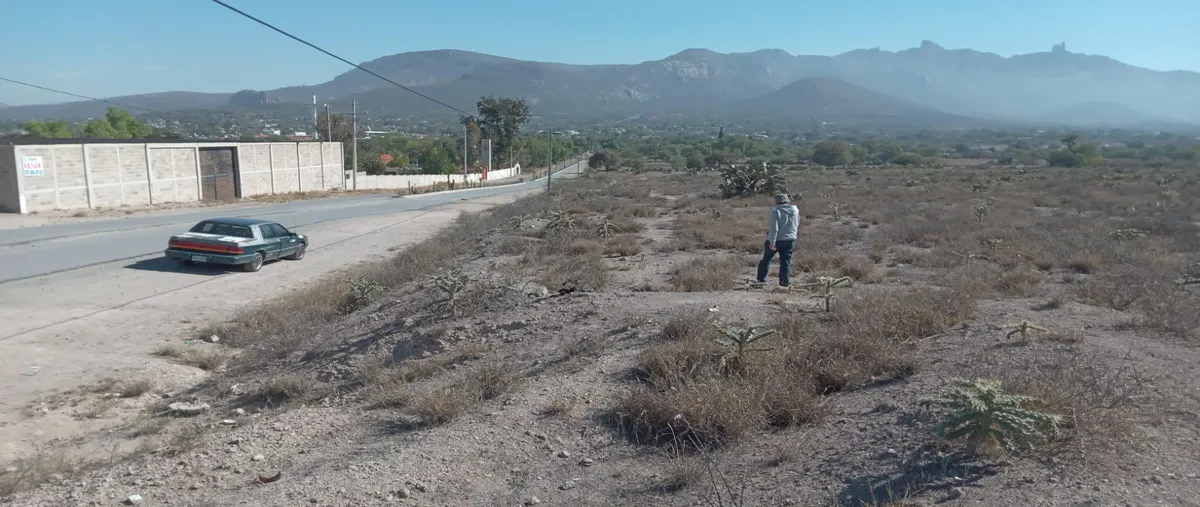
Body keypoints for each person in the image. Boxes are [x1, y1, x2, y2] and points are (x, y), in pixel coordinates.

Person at [756, 193, 800, 287]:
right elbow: (796, 224)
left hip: (777, 240)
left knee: (766, 260)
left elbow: (774, 228)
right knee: (786, 261)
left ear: (776, 201)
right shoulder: (795, 210)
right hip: (790, 239)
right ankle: (784, 281)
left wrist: (772, 242)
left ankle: (761, 280)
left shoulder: (775, 211)